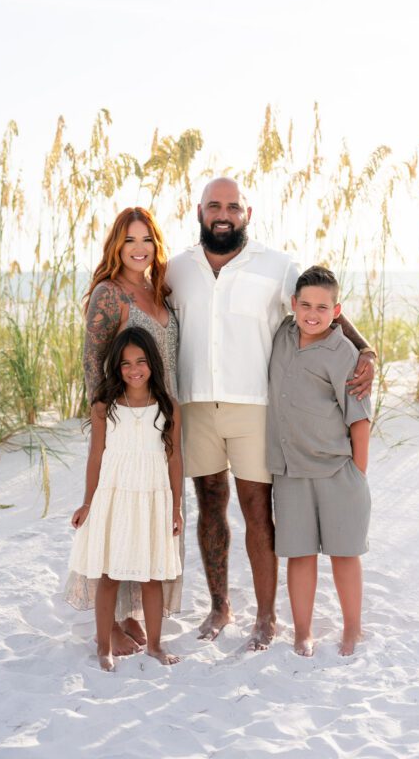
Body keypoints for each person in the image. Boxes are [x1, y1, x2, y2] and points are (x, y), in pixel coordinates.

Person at [167, 177, 375, 649]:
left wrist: (367, 351)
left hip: (255, 408)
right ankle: (220, 607)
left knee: (258, 509)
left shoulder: (278, 266)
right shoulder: (175, 269)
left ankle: (267, 616)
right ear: (199, 211)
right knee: (209, 507)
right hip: (197, 405)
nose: (224, 214)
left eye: (233, 207)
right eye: (214, 206)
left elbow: (321, 310)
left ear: (248, 213)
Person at [65, 207, 182, 658]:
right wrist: (111, 417)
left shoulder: (159, 292)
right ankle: (110, 624)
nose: (139, 248)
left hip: (162, 418)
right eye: (130, 240)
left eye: (147, 239)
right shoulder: (109, 294)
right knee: (117, 523)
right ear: (117, 245)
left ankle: (133, 614)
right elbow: (94, 360)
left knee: (150, 525)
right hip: (125, 421)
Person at [267, 266, 371, 657]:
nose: (312, 313)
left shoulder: (344, 353)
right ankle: (302, 632)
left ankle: (352, 630)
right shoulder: (282, 336)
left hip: (336, 472)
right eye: (305, 305)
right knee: (300, 554)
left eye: (322, 307)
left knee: (345, 554)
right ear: (292, 305)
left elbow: (359, 419)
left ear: (337, 310)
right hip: (291, 471)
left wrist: (357, 473)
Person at [67, 327, 184, 671]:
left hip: (152, 497)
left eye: (141, 362)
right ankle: (103, 646)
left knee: (151, 576)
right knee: (109, 574)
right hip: (114, 496)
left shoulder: (167, 407)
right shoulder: (105, 407)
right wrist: (88, 502)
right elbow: (96, 457)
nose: (134, 370)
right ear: (116, 369)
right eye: (125, 364)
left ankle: (156, 645)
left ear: (153, 364)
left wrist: (175, 507)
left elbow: (174, 459)